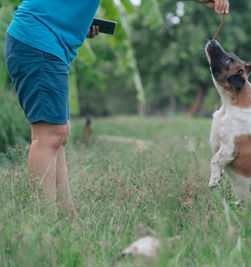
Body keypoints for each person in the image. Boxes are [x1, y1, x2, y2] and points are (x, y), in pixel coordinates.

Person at [4, 0, 229, 219]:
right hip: (38, 40)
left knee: (58, 136)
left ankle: (65, 217)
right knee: (48, 137)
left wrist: (79, 23)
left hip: (45, 42)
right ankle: (46, 221)